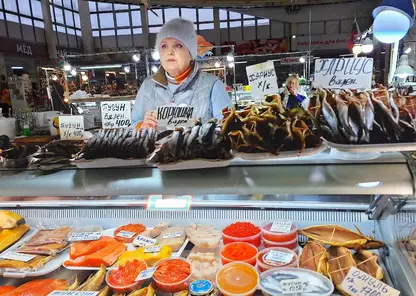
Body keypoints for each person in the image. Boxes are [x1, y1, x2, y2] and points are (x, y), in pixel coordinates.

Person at [131, 18, 232, 129]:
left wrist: (198, 126)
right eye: (164, 46)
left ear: (190, 52)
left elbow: (229, 128)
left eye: (178, 45)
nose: (170, 52)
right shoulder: (147, 86)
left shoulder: (212, 85)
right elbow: (132, 125)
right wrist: (142, 126)